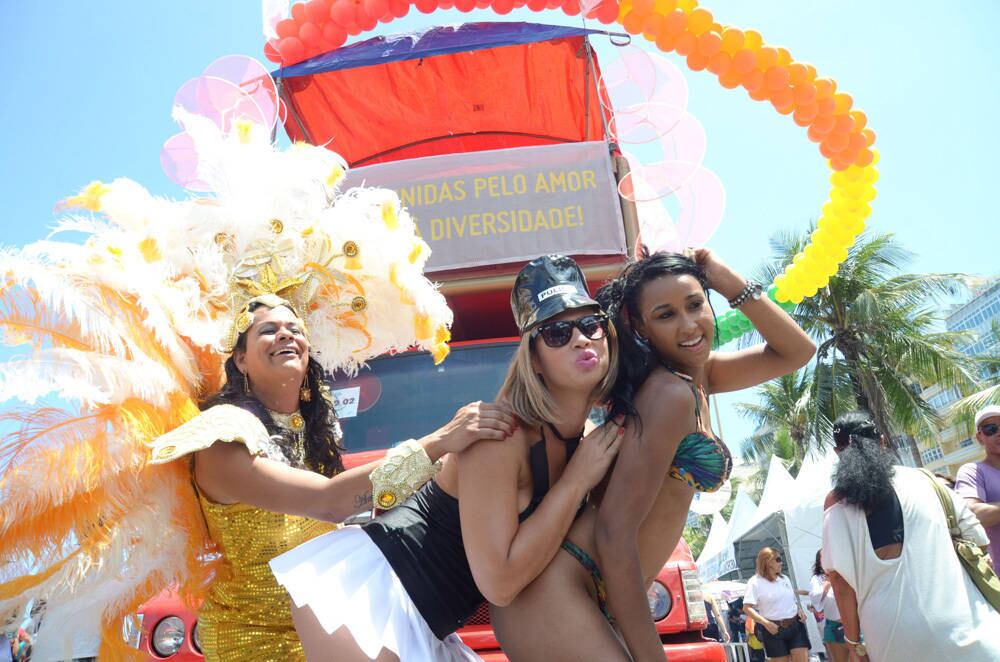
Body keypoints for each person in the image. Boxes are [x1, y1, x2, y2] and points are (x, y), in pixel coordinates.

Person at [0, 62, 497, 661]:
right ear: (238, 357)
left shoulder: (313, 430)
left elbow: (363, 509)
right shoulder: (219, 438)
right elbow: (333, 500)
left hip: (342, 626)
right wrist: (442, 440)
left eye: (295, 327)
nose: (286, 334)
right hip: (264, 648)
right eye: (267, 329)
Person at [270, 255, 624, 661]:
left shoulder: (589, 442)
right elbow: (499, 584)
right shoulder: (501, 436)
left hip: (434, 624)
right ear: (535, 358)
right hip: (374, 597)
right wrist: (576, 482)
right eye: (558, 332)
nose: (581, 339)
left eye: (591, 324)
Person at [490, 248, 815, 661]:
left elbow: (797, 352)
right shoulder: (669, 395)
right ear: (638, 326)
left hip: (592, 593)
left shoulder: (700, 378)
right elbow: (613, 531)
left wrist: (724, 277)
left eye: (696, 305)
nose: (689, 325)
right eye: (666, 315)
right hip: (561, 592)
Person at [822, 411, 1000, 662]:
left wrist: (853, 644)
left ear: (837, 453)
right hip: (969, 630)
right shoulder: (928, 481)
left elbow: (839, 583)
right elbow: (978, 541)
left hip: (892, 643)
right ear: (882, 442)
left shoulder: (837, 509)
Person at [742, 547, 810, 662]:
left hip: (795, 625)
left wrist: (800, 611)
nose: (781, 562)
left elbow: (792, 600)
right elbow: (747, 608)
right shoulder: (754, 582)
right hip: (773, 629)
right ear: (767, 561)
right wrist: (766, 623)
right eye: (778, 559)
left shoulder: (785, 579)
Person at [956, 404, 1000, 567]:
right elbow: (973, 515)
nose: (999, 432)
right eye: (991, 429)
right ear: (980, 437)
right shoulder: (973, 471)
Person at [808, 549, 848, 662]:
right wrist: (826, 586)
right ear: (819, 562)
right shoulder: (817, 579)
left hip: (853, 623)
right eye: (823, 557)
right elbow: (815, 598)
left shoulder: (845, 572)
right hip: (834, 625)